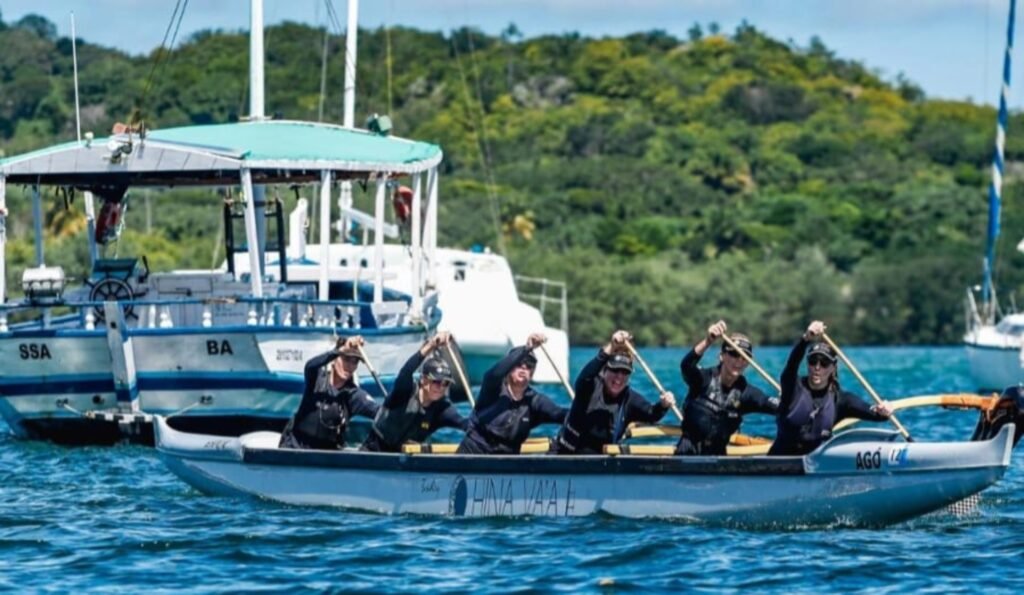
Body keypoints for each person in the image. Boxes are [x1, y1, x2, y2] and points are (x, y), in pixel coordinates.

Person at [768, 320, 893, 456]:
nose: (817, 367)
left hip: (816, 467)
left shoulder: (841, 400)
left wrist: (883, 411)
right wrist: (806, 339)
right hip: (778, 463)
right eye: (813, 361)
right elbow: (791, 365)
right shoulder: (792, 387)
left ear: (833, 367)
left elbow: (873, 413)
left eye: (824, 363)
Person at [553, 330, 675, 454]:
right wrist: (612, 346)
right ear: (604, 371)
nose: (619, 378)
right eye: (615, 371)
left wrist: (664, 404)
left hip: (601, 464)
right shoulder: (589, 387)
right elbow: (585, 377)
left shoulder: (629, 400)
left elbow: (652, 414)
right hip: (565, 455)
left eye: (624, 372)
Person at [675, 320, 778, 455]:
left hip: (719, 462)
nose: (739, 361)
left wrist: (791, 401)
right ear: (722, 356)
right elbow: (686, 366)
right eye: (734, 354)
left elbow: (775, 405)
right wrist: (708, 341)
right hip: (687, 455)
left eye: (744, 357)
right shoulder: (702, 379)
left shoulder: (747, 393)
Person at [456, 332, 568, 454]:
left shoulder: (536, 401)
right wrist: (526, 349)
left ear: (532, 372)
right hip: (473, 453)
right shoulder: (493, 388)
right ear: (509, 368)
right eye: (519, 363)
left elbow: (561, 414)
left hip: (506, 461)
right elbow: (493, 374)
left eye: (529, 365)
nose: (524, 367)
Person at [361, 332, 468, 452]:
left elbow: (465, 424)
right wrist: (431, 345)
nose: (440, 387)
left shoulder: (442, 409)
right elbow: (406, 371)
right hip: (374, 451)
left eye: (445, 383)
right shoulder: (405, 391)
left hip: (405, 460)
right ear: (423, 379)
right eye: (436, 382)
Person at [278, 336, 380, 450]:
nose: (350, 366)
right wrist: (340, 350)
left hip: (325, 455)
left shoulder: (353, 395)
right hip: (296, 446)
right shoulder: (317, 379)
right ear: (334, 359)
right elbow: (310, 366)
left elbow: (381, 413)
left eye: (354, 362)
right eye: (346, 359)